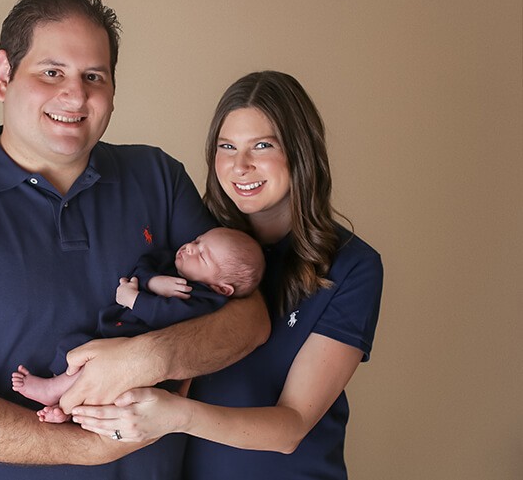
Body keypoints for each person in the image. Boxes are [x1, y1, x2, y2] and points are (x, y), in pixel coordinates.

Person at [0, 0, 269, 480]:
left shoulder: (156, 176)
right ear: (3, 74)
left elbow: (249, 318)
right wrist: (88, 449)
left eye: (93, 76)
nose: (76, 94)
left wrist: (142, 360)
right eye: (51, 72)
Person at [70, 71, 384, 480]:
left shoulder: (350, 267)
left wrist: (175, 415)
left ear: (301, 151)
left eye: (263, 145)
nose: (240, 165)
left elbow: (290, 427)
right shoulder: (192, 244)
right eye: (227, 146)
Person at [11, 227, 265, 423]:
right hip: (113, 336)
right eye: (197, 241)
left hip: (136, 355)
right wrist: (152, 282)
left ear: (221, 287)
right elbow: (145, 264)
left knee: (94, 370)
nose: (189, 248)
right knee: (73, 346)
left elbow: (169, 316)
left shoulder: (204, 299)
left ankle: (52, 390)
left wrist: (133, 299)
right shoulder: (173, 266)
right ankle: (63, 406)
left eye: (202, 255)